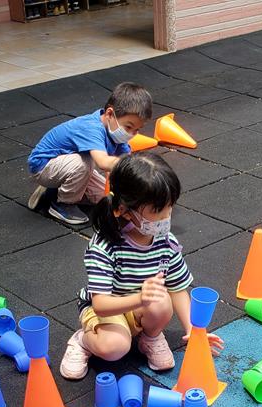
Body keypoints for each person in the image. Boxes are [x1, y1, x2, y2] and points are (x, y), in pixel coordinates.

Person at [59, 152, 223, 380]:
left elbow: (177, 288)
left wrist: (194, 330)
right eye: (157, 210)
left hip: (139, 306)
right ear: (122, 210)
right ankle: (83, 340)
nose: (166, 216)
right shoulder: (105, 246)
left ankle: (150, 337)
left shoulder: (166, 242)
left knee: (161, 300)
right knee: (115, 348)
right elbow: (101, 305)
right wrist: (141, 298)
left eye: (169, 207)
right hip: (106, 309)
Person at [27, 82, 152, 226]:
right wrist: (137, 164)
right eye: (129, 127)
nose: (131, 134)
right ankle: (62, 204)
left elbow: (121, 161)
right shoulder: (91, 128)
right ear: (110, 114)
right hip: (44, 166)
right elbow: (103, 162)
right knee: (85, 162)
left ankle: (52, 192)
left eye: (137, 129)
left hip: (67, 165)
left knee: (104, 198)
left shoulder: (115, 132)